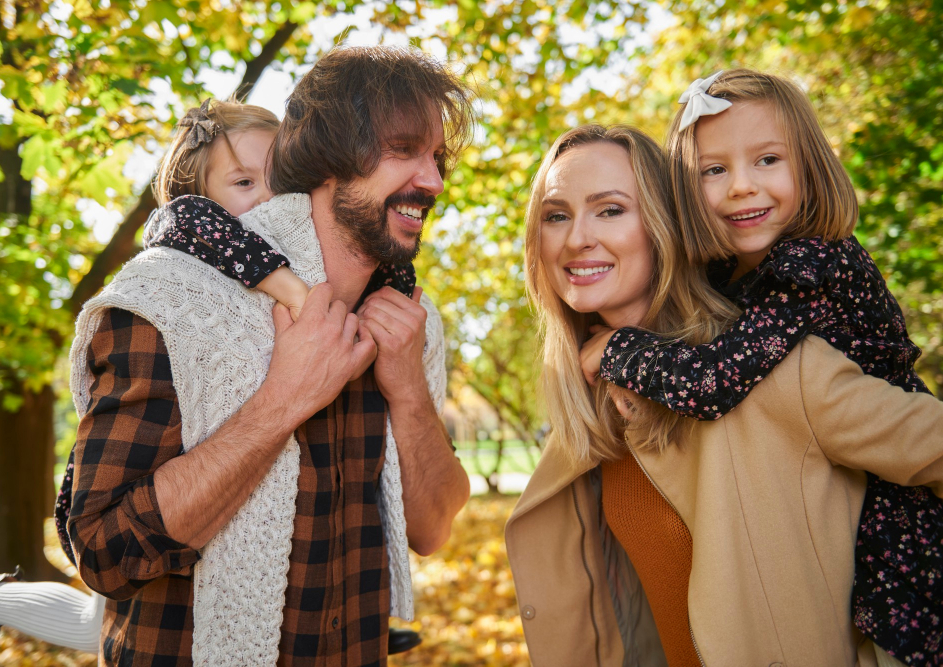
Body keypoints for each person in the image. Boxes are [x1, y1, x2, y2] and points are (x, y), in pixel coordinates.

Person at [59, 45, 471, 667]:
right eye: (405, 149)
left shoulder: (412, 320)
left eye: (437, 158)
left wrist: (409, 391)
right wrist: (283, 400)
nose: (434, 181)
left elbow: (433, 531)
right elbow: (102, 552)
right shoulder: (171, 299)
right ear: (329, 154)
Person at [504, 123, 943, 666]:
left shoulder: (777, 369)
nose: (576, 238)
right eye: (556, 215)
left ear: (666, 225)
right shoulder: (594, 407)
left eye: (610, 209)